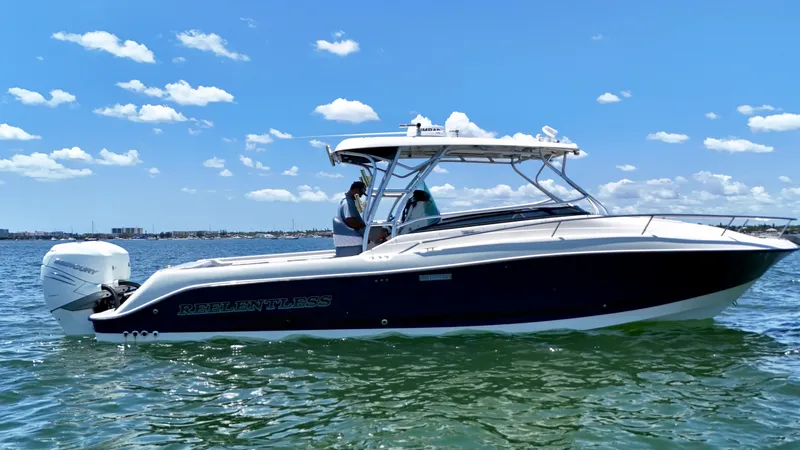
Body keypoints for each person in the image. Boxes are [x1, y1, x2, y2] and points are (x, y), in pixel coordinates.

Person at [332, 181, 367, 257]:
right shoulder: (347, 203)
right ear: (356, 190)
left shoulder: (345, 201)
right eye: (360, 193)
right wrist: (363, 225)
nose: (360, 196)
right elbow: (349, 221)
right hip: (353, 238)